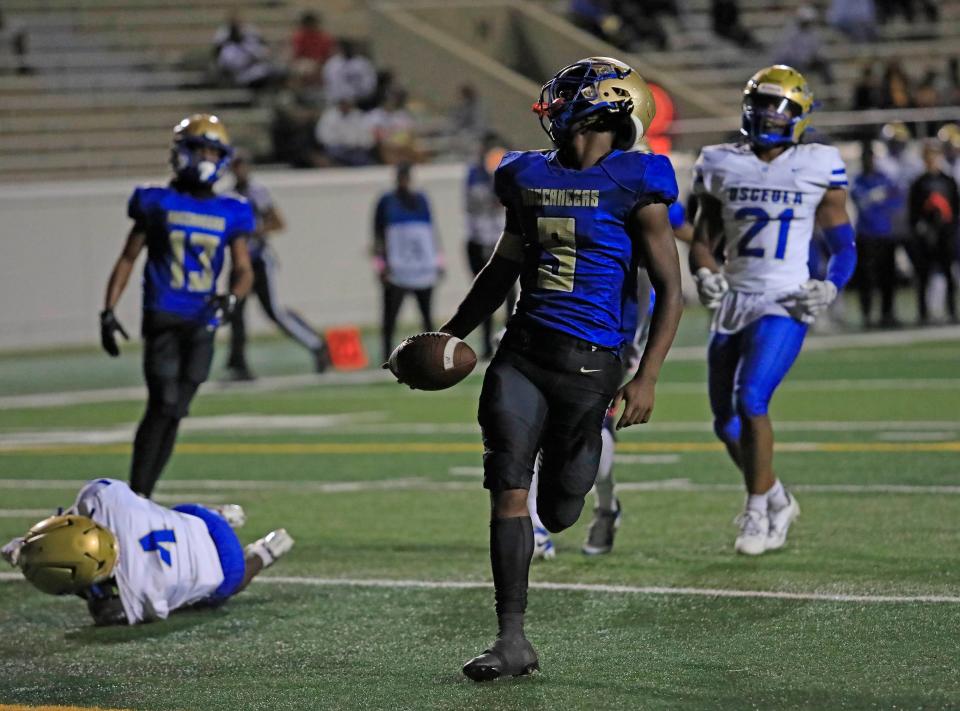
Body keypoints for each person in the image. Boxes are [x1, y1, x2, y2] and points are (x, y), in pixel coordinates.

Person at [425, 57, 683, 680]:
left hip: (591, 364)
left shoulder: (635, 181)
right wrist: (448, 335)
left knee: (562, 507)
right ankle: (511, 639)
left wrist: (646, 375)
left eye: (570, 93)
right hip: (522, 353)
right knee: (509, 487)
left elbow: (671, 289)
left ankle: (580, 481)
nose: (555, 105)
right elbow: (501, 269)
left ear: (607, 105)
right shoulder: (525, 175)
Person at [689, 65, 856, 556]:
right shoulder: (720, 161)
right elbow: (704, 241)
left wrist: (830, 286)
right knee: (725, 423)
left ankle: (758, 510)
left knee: (752, 400)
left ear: (800, 115)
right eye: (762, 104)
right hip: (735, 298)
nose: (769, 115)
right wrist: (704, 273)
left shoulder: (819, 163)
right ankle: (778, 496)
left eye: (779, 107)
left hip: (785, 299)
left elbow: (843, 245)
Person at [100, 114, 255, 499]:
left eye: (211, 150)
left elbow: (244, 270)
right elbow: (127, 257)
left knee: (176, 410)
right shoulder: (156, 201)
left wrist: (232, 297)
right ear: (180, 152)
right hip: (164, 314)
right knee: (163, 403)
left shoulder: (232, 209)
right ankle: (138, 494)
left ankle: (142, 496)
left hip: (202, 320)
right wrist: (108, 309)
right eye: (197, 148)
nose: (203, 156)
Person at [531, 198, 691, 560]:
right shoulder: (562, 185)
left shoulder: (636, 196)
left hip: (609, 336)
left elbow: (660, 280)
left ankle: (605, 504)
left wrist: (637, 356)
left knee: (589, 435)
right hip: (551, 326)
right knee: (533, 425)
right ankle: (534, 524)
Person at [1, 478, 293, 626]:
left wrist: (84, 588)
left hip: (224, 565)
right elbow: (77, 518)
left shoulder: (138, 588)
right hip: (197, 518)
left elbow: (107, 612)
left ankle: (263, 553)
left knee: (225, 587)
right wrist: (35, 541)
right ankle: (220, 515)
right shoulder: (104, 498)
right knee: (162, 514)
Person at [224, 152, 330, 380]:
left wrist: (252, 230)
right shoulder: (228, 196)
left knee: (273, 311)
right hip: (239, 261)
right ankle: (238, 364)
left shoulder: (257, 193)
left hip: (258, 259)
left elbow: (278, 222)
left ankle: (317, 345)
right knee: (235, 312)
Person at [373, 163, 443, 363]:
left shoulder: (421, 199)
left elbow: (431, 234)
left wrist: (438, 261)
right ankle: (387, 356)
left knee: (427, 316)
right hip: (397, 269)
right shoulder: (386, 201)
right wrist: (380, 265)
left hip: (422, 267)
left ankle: (431, 355)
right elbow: (378, 234)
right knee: (390, 317)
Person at [464, 134, 516, 359]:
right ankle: (485, 344)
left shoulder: (511, 171)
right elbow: (474, 203)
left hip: (502, 237)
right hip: (481, 240)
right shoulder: (475, 175)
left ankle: (508, 339)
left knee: (510, 294)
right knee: (485, 292)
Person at [908, 140, 959, 323]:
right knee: (923, 276)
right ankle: (923, 313)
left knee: (948, 274)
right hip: (925, 236)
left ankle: (951, 311)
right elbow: (913, 212)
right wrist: (921, 230)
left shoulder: (948, 181)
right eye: (928, 155)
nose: (932, 159)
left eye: (934, 155)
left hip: (945, 234)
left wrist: (950, 230)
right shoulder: (918, 183)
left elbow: (955, 209)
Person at [851, 147, 903, 328]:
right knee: (866, 279)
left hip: (885, 233)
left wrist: (884, 205)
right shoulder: (858, 180)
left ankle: (887, 314)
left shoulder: (884, 178)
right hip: (866, 235)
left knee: (887, 277)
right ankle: (867, 316)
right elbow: (860, 201)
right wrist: (875, 198)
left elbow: (897, 199)